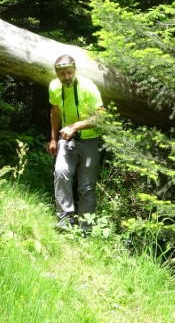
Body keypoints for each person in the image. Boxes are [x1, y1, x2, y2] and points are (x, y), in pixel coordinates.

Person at [46, 54, 104, 232]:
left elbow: (102, 115)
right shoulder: (54, 87)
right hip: (67, 139)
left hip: (90, 140)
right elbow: (55, 112)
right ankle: (65, 220)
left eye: (69, 73)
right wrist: (54, 139)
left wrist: (75, 127)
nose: (66, 77)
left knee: (86, 186)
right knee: (61, 172)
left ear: (75, 70)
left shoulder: (88, 87)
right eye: (62, 74)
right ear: (57, 74)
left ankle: (86, 227)